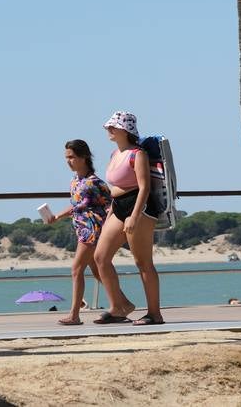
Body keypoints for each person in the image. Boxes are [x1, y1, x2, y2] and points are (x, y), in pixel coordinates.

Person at [93, 111, 164, 326]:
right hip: (118, 207)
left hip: (139, 208)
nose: (109, 130)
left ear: (124, 130)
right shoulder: (115, 154)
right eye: (109, 127)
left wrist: (134, 216)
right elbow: (116, 187)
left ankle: (154, 314)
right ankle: (119, 307)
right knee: (100, 257)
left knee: (143, 262)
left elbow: (144, 187)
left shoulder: (137, 154)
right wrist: (111, 212)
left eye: (113, 127)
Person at [48, 139, 111, 325]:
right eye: (67, 158)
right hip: (81, 230)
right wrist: (57, 216)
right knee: (98, 271)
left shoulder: (94, 183)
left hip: (92, 230)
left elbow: (110, 206)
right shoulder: (75, 181)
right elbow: (77, 205)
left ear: (84, 157)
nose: (68, 161)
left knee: (76, 269)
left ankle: (74, 315)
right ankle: (121, 304)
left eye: (72, 157)